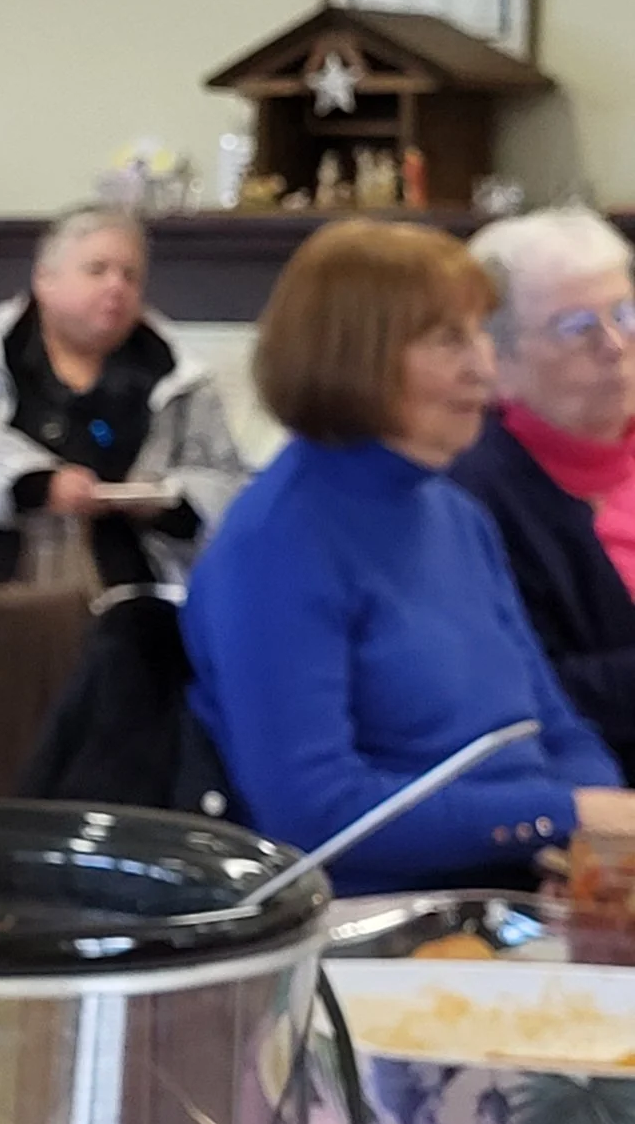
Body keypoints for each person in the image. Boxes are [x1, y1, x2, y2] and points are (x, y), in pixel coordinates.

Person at [183, 219, 622, 896]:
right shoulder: (275, 541)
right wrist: (562, 815)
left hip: (521, 889)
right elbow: (315, 814)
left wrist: (598, 839)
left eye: (481, 332)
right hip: (381, 922)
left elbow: (554, 726)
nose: (483, 366)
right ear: (356, 356)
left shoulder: (456, 513)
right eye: (450, 340)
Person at [0, 206, 247, 590]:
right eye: (97, 270)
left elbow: (228, 484)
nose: (116, 286)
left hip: (126, 578)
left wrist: (166, 501)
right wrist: (35, 482)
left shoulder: (182, 377)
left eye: (130, 276)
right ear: (45, 279)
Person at [450, 209, 635, 772]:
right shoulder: (469, 496)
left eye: (626, 313)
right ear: (496, 358)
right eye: (576, 327)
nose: (614, 344)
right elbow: (530, 694)